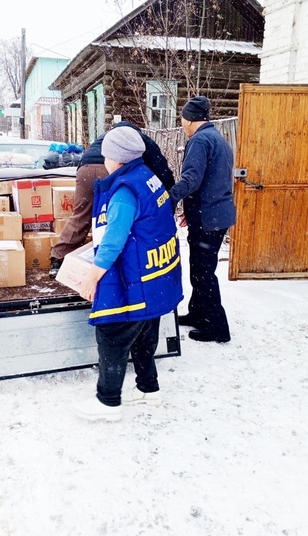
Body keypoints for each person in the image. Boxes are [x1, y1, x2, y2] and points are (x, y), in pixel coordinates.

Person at [71, 126, 183, 422]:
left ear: (117, 159)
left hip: (136, 278)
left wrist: (93, 276)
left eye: (106, 155)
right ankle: (149, 390)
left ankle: (108, 403)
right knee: (145, 333)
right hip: (154, 277)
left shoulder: (124, 191)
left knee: (112, 335)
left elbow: (114, 240)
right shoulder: (148, 177)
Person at [49, 121, 175, 278]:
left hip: (85, 169)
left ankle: (58, 258)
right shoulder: (137, 140)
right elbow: (161, 169)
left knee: (80, 216)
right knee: (111, 220)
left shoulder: (107, 137)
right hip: (109, 168)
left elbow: (85, 158)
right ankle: (105, 267)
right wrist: (168, 198)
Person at [169, 96, 236, 344]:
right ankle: (199, 314)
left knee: (203, 273)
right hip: (214, 213)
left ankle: (217, 327)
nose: (182, 124)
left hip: (209, 217)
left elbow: (191, 180)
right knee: (201, 269)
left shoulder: (200, 140)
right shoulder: (217, 138)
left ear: (189, 119)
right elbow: (213, 180)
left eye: (182, 119)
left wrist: (169, 199)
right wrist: (191, 208)